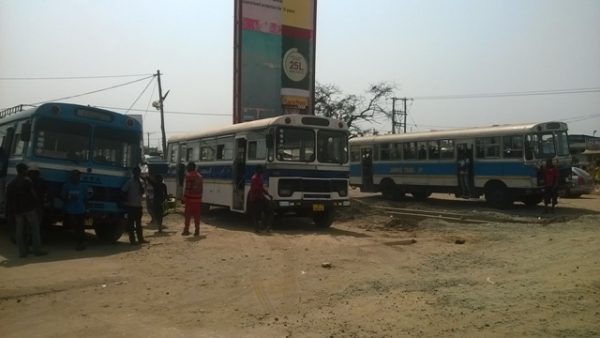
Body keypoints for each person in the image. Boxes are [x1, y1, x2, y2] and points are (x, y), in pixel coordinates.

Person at [6, 163, 47, 258]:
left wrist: (9, 213)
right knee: (34, 230)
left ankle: (22, 253)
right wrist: (38, 206)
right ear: (24, 170)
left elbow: (9, 200)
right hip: (29, 209)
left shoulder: (11, 183)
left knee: (19, 232)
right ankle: (37, 251)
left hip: (17, 211)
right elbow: (33, 195)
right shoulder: (27, 181)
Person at [61, 170, 89, 251]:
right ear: (71, 176)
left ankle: (81, 243)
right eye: (74, 175)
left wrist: (87, 209)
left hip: (81, 209)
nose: (76, 177)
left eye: (78, 176)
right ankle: (81, 242)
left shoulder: (84, 186)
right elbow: (62, 196)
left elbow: (86, 198)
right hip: (70, 210)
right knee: (75, 226)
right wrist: (69, 197)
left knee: (81, 227)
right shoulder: (67, 185)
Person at [122, 166, 147, 244]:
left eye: (138, 172)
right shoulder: (130, 182)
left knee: (139, 224)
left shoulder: (141, 182)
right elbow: (123, 190)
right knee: (131, 224)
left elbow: (143, 192)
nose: (137, 174)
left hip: (138, 206)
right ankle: (132, 240)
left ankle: (140, 239)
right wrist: (126, 200)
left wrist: (140, 183)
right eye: (136, 172)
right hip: (131, 206)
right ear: (134, 173)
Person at [248, 165, 272, 233]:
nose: (262, 172)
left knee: (267, 212)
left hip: (259, 198)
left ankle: (264, 227)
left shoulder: (259, 177)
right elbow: (257, 189)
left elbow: (261, 188)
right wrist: (265, 195)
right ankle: (258, 228)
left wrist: (268, 195)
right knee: (256, 215)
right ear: (257, 171)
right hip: (255, 199)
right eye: (261, 170)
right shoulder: (254, 178)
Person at [182, 162, 203, 237]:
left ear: (191, 167)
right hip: (198, 200)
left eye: (188, 167)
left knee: (187, 216)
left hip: (190, 200)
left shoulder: (189, 176)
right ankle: (197, 230)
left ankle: (186, 230)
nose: (187, 168)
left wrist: (184, 198)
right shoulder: (199, 176)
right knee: (197, 216)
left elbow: (188, 189)